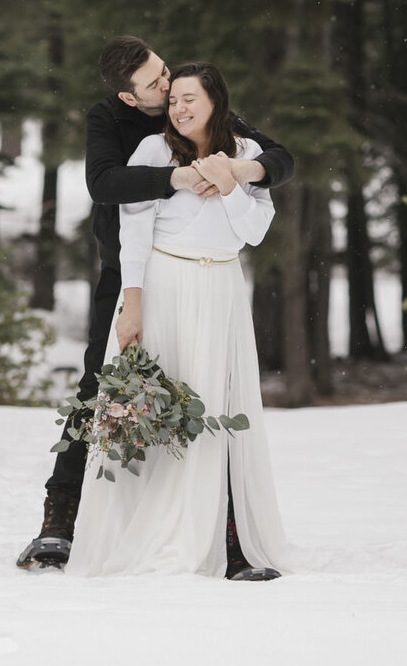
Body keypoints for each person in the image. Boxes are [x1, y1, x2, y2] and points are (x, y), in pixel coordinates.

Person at [16, 36, 293, 570]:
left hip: (212, 279)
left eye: (168, 75)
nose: (170, 92)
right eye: (157, 87)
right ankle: (61, 516)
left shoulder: (211, 116)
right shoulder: (113, 123)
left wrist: (240, 174)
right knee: (103, 384)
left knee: (213, 391)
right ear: (128, 97)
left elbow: (277, 159)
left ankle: (223, 526)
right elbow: (105, 183)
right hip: (129, 269)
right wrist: (178, 178)